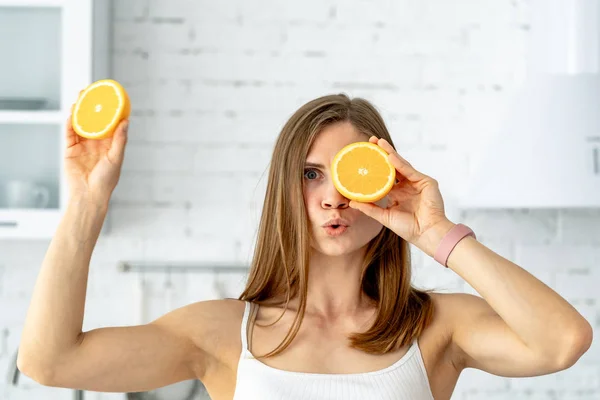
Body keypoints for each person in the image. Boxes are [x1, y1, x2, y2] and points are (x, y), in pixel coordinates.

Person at [17, 94, 592, 400]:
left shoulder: (436, 328)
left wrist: (436, 235)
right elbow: (48, 362)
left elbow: (563, 341)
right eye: (311, 175)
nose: (332, 199)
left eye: (350, 175)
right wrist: (88, 205)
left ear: (385, 181)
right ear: (284, 190)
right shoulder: (221, 334)